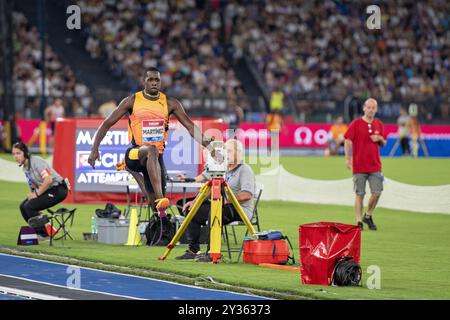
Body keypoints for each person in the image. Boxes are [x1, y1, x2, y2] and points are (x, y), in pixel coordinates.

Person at [88, 67, 214, 216]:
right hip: (135, 153)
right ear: (144, 82)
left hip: (155, 159)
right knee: (151, 149)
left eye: (157, 80)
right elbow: (106, 124)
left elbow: (190, 127)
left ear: (160, 82)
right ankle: (161, 198)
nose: (154, 83)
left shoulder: (170, 103)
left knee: (153, 203)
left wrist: (210, 146)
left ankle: (157, 231)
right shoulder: (132, 101)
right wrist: (94, 149)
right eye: (150, 80)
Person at [175, 139, 256, 262]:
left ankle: (211, 252)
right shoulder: (221, 167)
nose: (225, 154)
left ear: (238, 153)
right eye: (225, 151)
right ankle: (193, 250)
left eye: (229, 151)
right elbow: (209, 187)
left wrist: (226, 201)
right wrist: (195, 201)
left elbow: (247, 195)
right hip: (221, 205)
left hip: (240, 209)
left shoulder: (244, 170)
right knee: (192, 209)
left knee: (214, 211)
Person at [344, 98, 387, 231]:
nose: (371, 110)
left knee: (377, 192)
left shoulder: (379, 124)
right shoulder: (356, 123)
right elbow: (347, 140)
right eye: (368, 107)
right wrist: (347, 158)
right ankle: (358, 221)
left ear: (376, 109)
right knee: (360, 194)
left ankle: (368, 215)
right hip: (359, 166)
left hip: (375, 165)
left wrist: (380, 139)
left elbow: (383, 143)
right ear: (364, 108)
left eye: (373, 107)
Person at [12, 142, 68, 239]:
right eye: (14, 154)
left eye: (18, 153)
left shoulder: (36, 162)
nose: (15, 156)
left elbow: (48, 179)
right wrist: (34, 196)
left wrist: (37, 195)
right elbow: (33, 185)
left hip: (58, 189)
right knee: (23, 206)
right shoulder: (25, 168)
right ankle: (44, 228)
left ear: (25, 153)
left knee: (30, 206)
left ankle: (44, 234)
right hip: (48, 190)